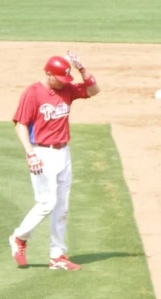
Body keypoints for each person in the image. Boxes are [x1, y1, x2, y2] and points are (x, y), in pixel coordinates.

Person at [9, 51, 100, 271]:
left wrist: (82, 69)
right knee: (46, 203)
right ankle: (19, 238)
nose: (63, 84)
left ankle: (57, 256)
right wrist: (30, 154)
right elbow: (21, 124)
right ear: (48, 74)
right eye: (59, 79)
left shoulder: (67, 88)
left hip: (63, 152)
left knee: (62, 206)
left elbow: (93, 90)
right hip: (41, 153)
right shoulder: (33, 93)